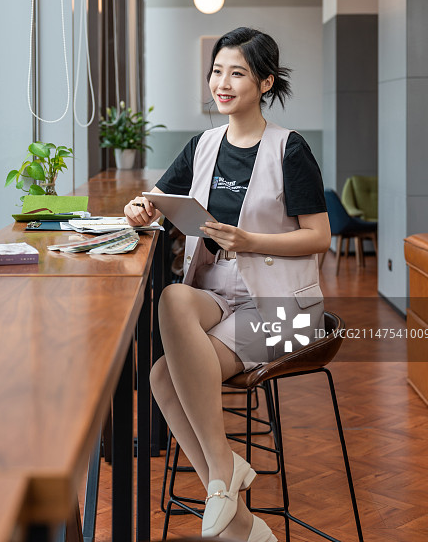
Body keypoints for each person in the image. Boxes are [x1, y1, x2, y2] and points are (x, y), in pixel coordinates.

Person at [124, 27, 331, 542]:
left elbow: (319, 236)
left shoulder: (290, 148)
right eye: (217, 70)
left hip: (286, 311)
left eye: (236, 72)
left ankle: (236, 514)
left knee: (162, 378)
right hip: (219, 295)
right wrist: (139, 207)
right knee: (174, 297)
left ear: (264, 82)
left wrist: (250, 240)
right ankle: (225, 472)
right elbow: (159, 199)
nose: (222, 82)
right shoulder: (203, 146)